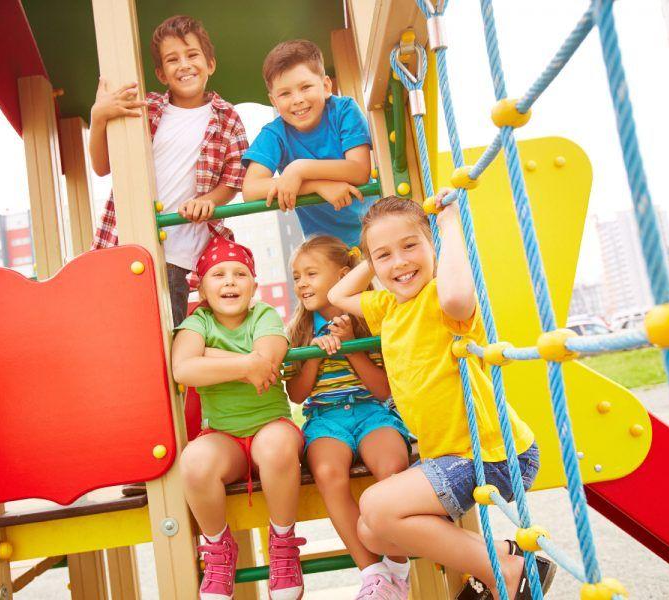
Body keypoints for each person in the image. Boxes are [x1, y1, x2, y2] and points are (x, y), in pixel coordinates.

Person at [328, 194, 556, 599]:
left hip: (489, 453)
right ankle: (503, 556)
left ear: (433, 245)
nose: (399, 262)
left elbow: (456, 297)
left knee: (378, 506)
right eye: (385, 256)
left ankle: (502, 568)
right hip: (449, 456)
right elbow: (336, 296)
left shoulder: (442, 297)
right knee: (372, 531)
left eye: (411, 246)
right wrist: (372, 252)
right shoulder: (389, 308)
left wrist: (449, 225)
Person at [89, 15, 248, 327]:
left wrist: (210, 200)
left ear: (210, 64)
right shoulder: (145, 110)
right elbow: (102, 165)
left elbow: (234, 178)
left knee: (165, 330)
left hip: (178, 251)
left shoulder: (227, 117)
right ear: (161, 73)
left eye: (192, 55)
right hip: (127, 241)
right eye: (173, 60)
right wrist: (98, 117)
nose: (184, 65)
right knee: (118, 325)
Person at [172, 232, 305, 600]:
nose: (230, 281)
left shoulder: (262, 314)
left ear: (253, 285)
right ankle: (218, 548)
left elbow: (268, 357)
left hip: (271, 426)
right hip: (223, 437)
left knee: (278, 447)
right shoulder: (198, 322)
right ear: (201, 288)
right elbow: (182, 369)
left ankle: (282, 542)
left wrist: (212, 359)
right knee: (195, 462)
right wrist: (244, 363)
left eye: (239, 274)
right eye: (219, 275)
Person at [285, 235, 412, 598]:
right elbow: (296, 394)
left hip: (372, 412)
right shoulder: (300, 329)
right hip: (325, 419)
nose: (302, 283)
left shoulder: (370, 319)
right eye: (297, 277)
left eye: (311, 273)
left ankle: (397, 565)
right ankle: (372, 571)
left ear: (343, 275)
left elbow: (384, 391)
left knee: (391, 465)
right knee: (327, 472)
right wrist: (313, 354)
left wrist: (353, 345)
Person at [242, 39, 372, 248]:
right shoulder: (275, 134)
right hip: (327, 247)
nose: (297, 99)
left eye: (305, 87)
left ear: (326, 86)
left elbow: (359, 170)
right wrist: (318, 186)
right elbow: (251, 190)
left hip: (372, 227)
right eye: (285, 93)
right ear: (274, 101)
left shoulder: (344, 110)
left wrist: (299, 169)